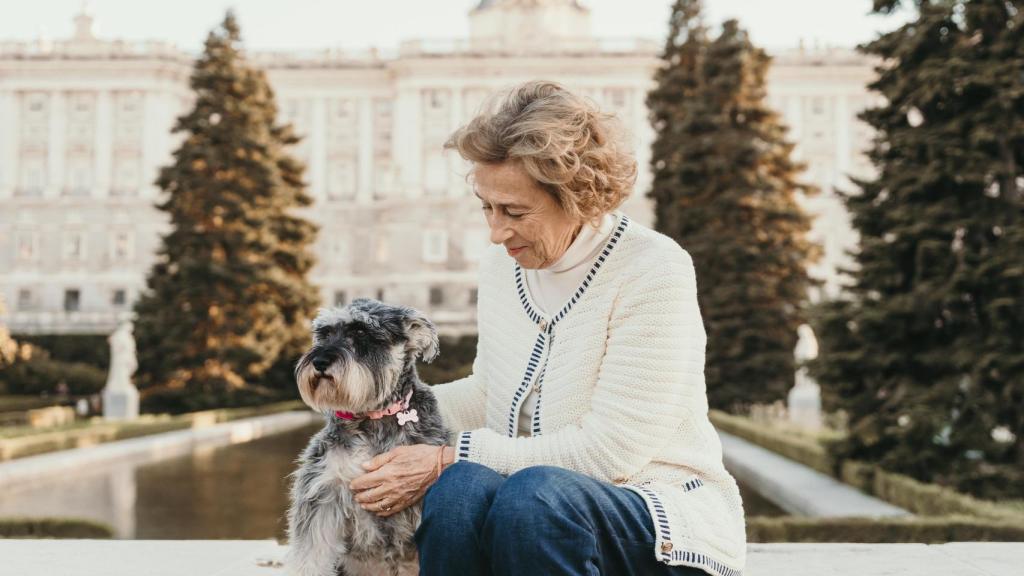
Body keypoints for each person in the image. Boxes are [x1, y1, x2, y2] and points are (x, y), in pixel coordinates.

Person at [349, 80, 746, 576]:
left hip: (657, 512)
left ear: (578, 197)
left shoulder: (653, 268)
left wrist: (450, 454)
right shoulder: (501, 267)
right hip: (538, 507)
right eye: (487, 209)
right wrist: (384, 410)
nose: (496, 232)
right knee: (458, 491)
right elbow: (488, 392)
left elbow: (609, 452)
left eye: (514, 212)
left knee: (532, 496)